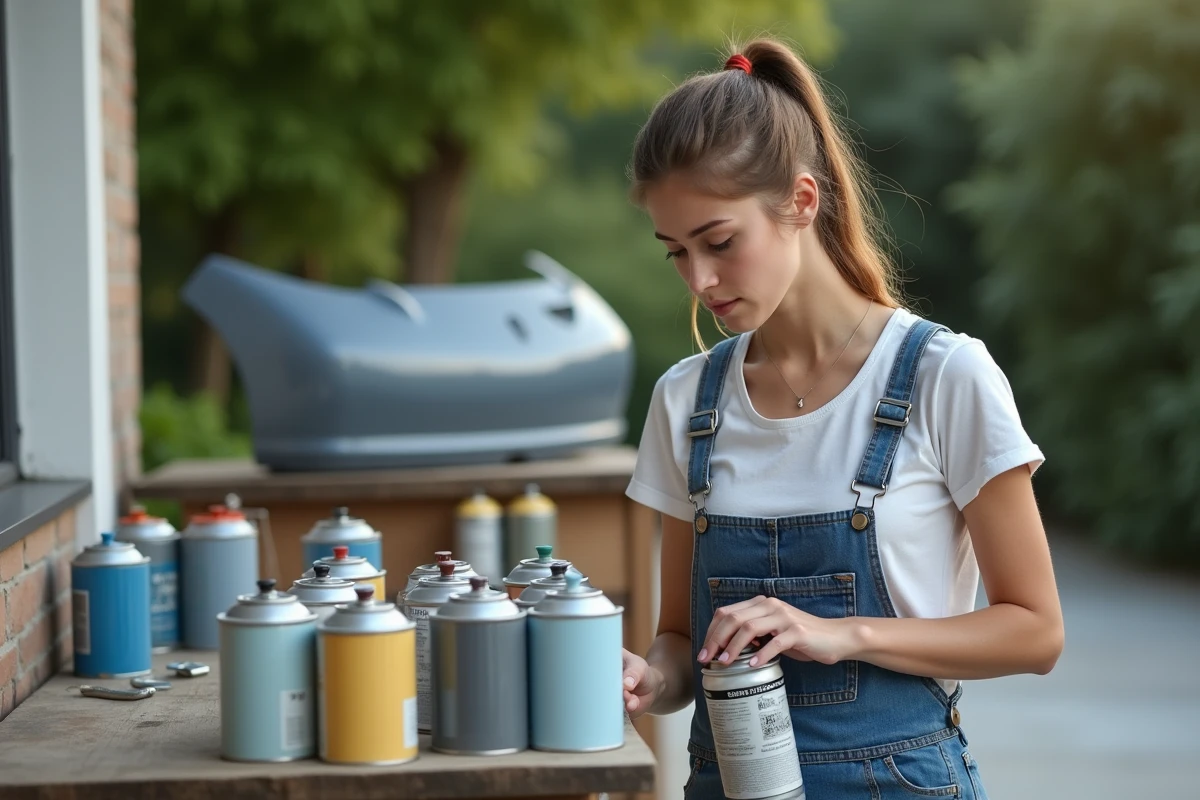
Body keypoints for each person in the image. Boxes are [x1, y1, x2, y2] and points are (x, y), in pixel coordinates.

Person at [620, 38, 1064, 799]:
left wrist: (841, 634)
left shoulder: (943, 376)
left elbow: (1036, 632)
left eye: (719, 242)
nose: (701, 279)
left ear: (801, 200)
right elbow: (681, 644)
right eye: (677, 253)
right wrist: (646, 679)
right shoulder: (685, 401)